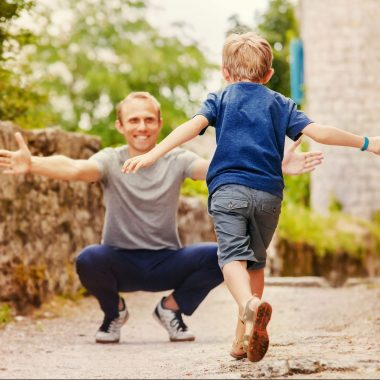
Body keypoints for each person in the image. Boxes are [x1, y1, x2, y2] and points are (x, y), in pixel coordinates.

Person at [121, 33, 380, 362]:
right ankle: (242, 339)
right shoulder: (281, 104)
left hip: (229, 191)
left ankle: (249, 307)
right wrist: (368, 142)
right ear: (269, 74)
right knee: (254, 262)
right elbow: (321, 132)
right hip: (269, 196)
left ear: (225, 73)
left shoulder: (221, 99)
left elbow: (190, 127)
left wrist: (153, 154)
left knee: (231, 259)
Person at [0, 91, 323, 345]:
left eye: (149, 120)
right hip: (119, 261)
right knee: (88, 258)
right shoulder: (111, 160)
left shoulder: (177, 159)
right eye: (134, 120)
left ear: (159, 123)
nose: (142, 127)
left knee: (222, 255)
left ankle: (171, 309)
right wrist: (34, 164)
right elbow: (75, 168)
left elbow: (222, 169)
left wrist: (275, 166)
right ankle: (114, 315)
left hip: (166, 262)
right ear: (121, 126)